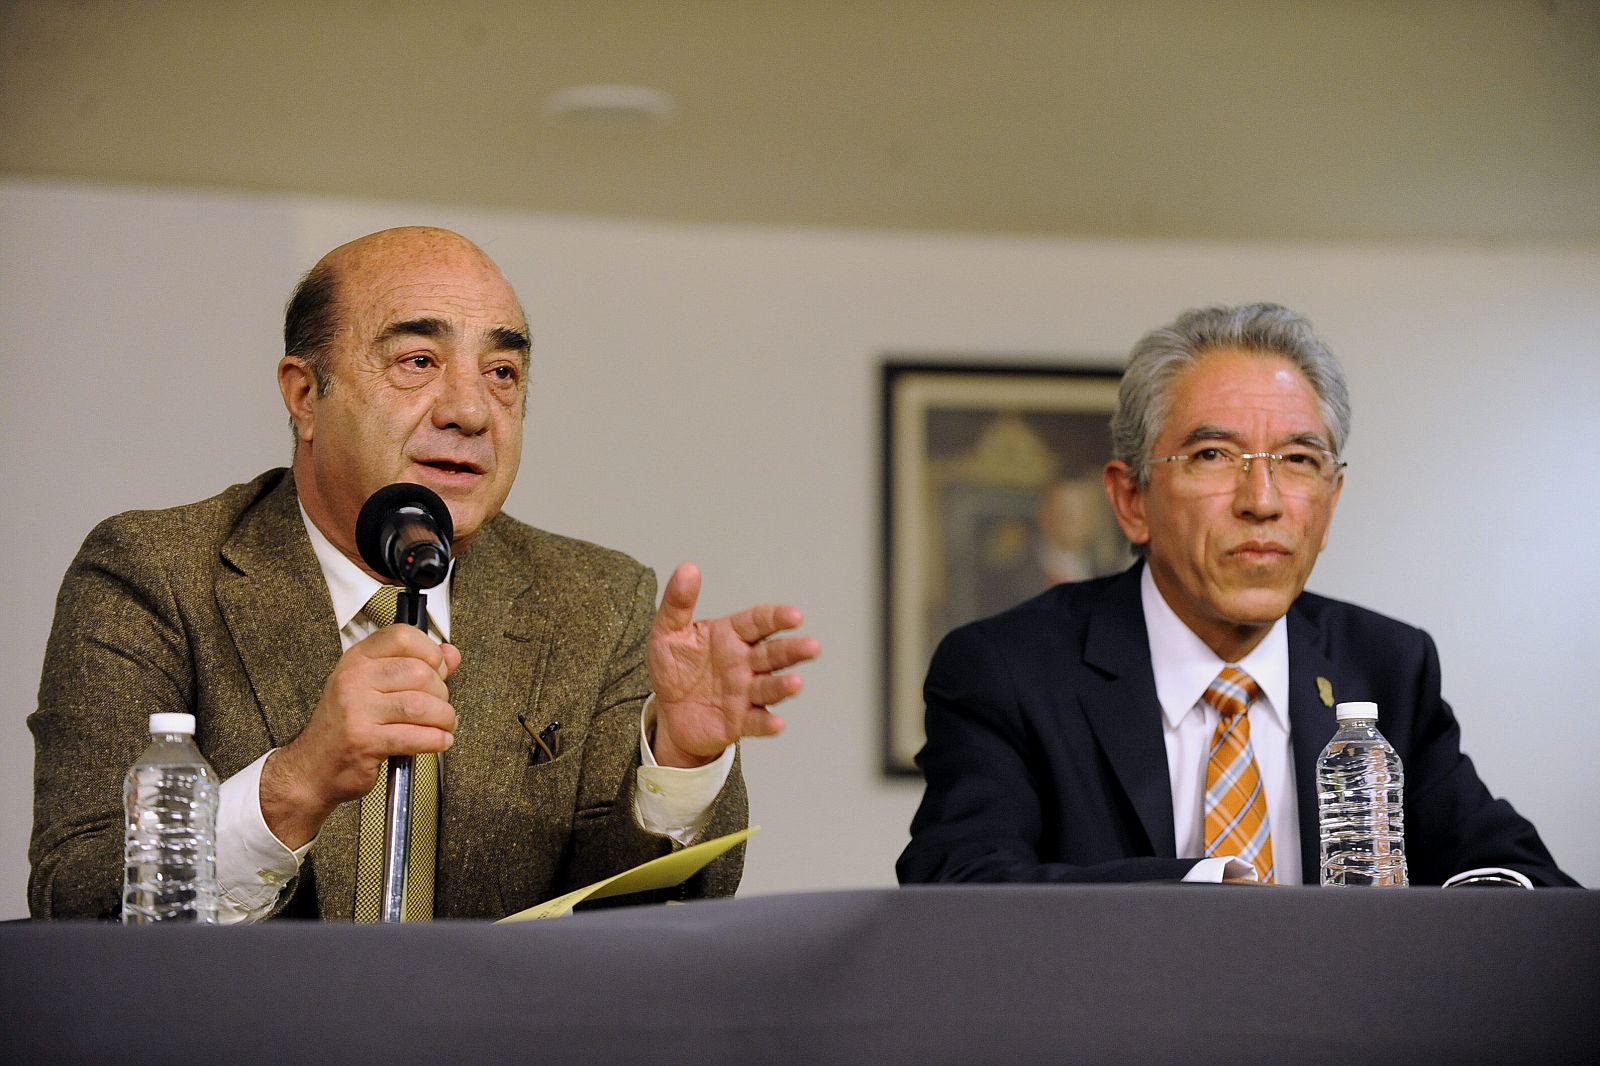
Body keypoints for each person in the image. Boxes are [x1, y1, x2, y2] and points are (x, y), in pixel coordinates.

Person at [29, 226, 820, 921]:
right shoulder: (155, 573)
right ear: (305, 395)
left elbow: (634, 933)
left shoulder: (599, 601)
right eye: (418, 361)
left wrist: (676, 764)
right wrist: (296, 784)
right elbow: (79, 901)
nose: (471, 411)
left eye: (503, 373)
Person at [898, 303, 1574, 887]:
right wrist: (1213, 891)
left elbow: (1516, 879)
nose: (1263, 501)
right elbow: (961, 888)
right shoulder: (1009, 669)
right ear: (1131, 501)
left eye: (1299, 461)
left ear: (1330, 503)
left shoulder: (1386, 667)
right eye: (1213, 456)